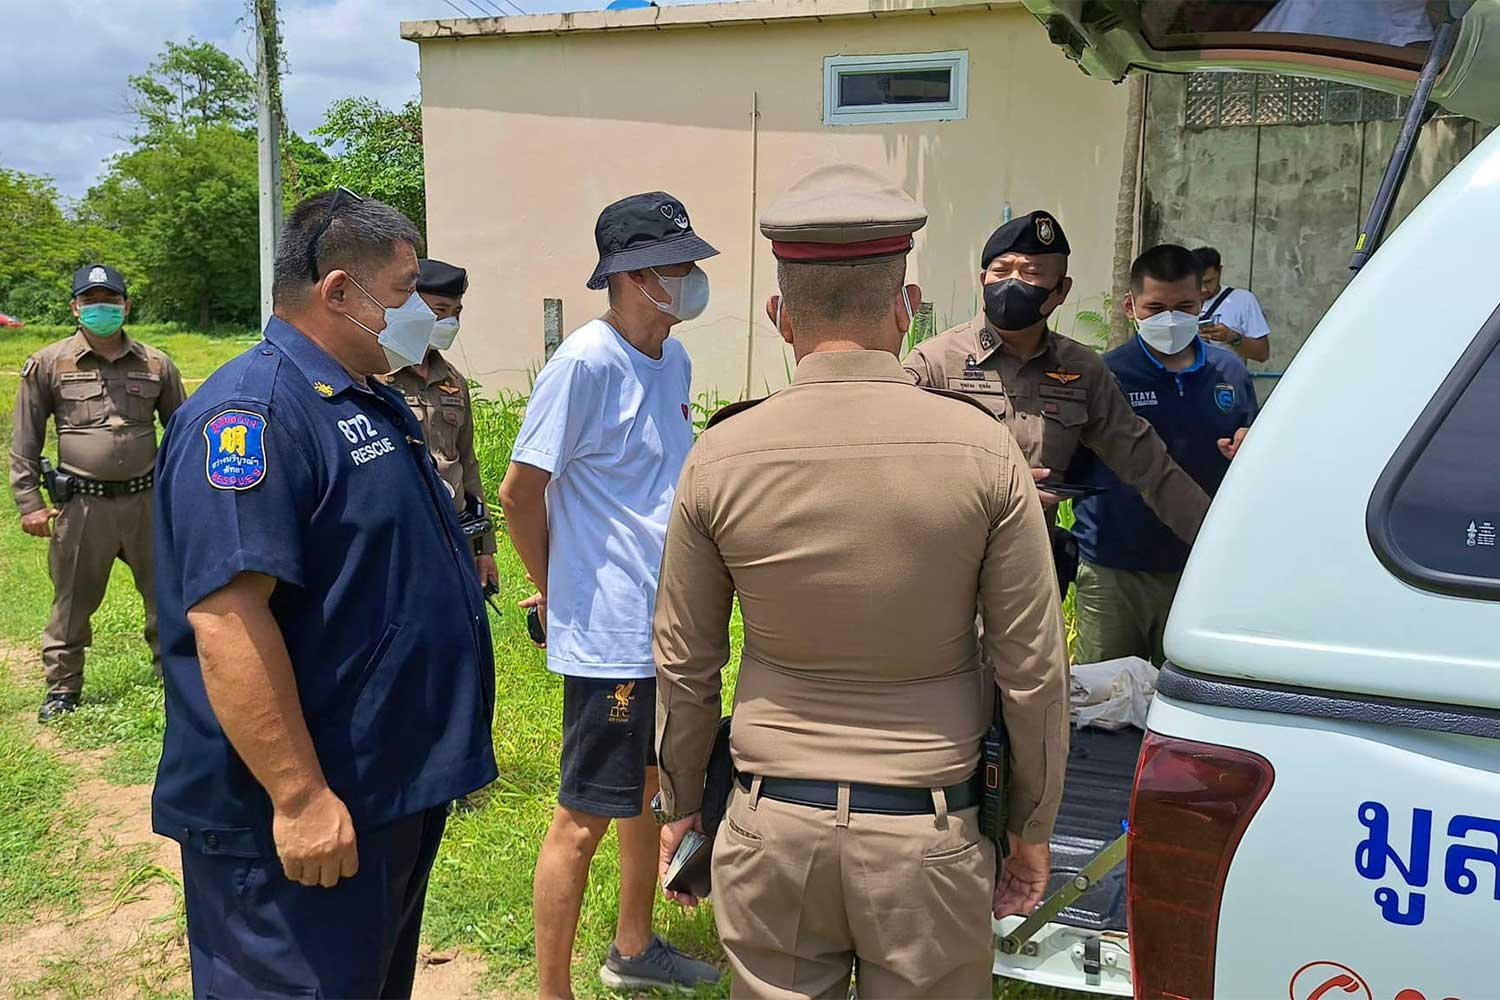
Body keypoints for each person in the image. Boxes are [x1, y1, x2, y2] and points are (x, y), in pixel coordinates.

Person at [653, 164, 1071, 999]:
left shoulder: (721, 456)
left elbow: (684, 664)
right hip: (930, 828)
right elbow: (1033, 668)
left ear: (779, 317)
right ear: (906, 307)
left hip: (773, 823)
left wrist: (678, 804)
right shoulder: (985, 452)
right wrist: (1030, 826)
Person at [151, 189, 497, 999]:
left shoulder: (360, 396)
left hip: (382, 794)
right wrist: (299, 796)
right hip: (303, 813)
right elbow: (228, 617)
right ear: (340, 291)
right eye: (408, 290)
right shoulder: (253, 416)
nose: (425, 311)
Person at [498, 191, 722, 999]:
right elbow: (520, 491)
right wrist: (555, 589)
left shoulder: (674, 360)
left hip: (668, 621)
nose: (691, 278)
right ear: (628, 275)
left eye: (692, 262)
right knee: (583, 816)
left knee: (646, 789)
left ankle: (634, 946)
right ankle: (552, 991)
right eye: (676, 264)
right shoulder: (586, 363)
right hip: (614, 634)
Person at [903, 211, 1210, 549]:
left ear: (1061, 290)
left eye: (1031, 273)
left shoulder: (1082, 371)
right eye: (1002, 271)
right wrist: (985, 491)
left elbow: (1150, 466)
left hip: (1031, 566)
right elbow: (890, 467)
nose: (1012, 283)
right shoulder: (933, 362)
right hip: (946, 559)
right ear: (983, 280)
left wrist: (1219, 542)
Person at [9, 263, 186, 722]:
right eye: (90, 301)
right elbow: (25, 440)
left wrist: (187, 496)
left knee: (167, 592)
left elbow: (184, 431)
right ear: (74, 307)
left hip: (148, 501)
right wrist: (30, 502)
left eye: (110, 300)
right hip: (82, 504)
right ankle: (63, 689)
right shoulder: (48, 364)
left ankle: (176, 678)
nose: (100, 309)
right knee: (72, 602)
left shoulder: (156, 363)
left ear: (126, 306)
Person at [1070, 245, 1256, 665]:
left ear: (1202, 302)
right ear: (1129, 306)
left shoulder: (1230, 373)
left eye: (1183, 306)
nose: (1169, 319)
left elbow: (1253, 450)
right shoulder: (1105, 374)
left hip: (1198, 570)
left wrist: (1247, 448)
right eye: (1155, 308)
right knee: (1103, 702)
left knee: (1187, 700)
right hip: (1115, 569)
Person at [381, 258, 498, 587]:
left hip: (454, 530)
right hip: (401, 538)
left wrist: (483, 548)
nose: (450, 322)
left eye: (456, 313)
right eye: (440, 310)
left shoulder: (452, 381)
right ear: (410, 308)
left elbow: (467, 464)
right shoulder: (375, 375)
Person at [1193, 246, 1272, 364]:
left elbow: (1262, 354)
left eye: (1209, 282)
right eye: (1198, 282)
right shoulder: (1178, 300)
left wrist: (1232, 337)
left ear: (1220, 271)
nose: (1204, 289)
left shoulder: (1243, 300)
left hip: (1226, 379)